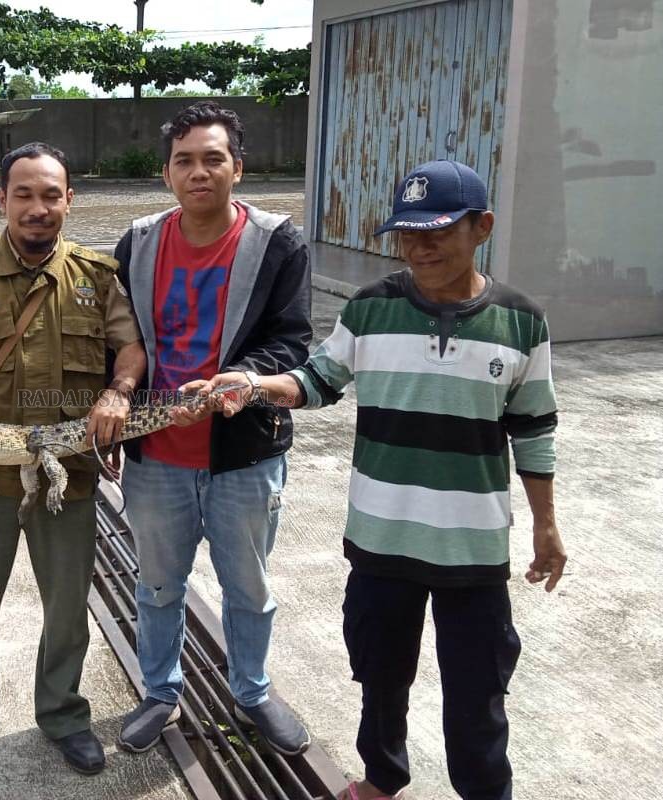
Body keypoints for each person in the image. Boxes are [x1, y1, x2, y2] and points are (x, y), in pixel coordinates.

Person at [205, 160, 568, 800]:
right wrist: (255, 384)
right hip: (381, 537)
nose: (419, 248)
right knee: (380, 671)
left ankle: (485, 791)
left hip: (473, 547)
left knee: (477, 689)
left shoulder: (521, 321)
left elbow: (534, 430)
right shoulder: (371, 309)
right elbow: (318, 380)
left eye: (437, 232)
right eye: (407, 234)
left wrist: (545, 525)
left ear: (481, 227)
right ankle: (382, 777)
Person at [0, 142, 146, 780]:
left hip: (67, 477)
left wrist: (117, 392)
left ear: (70, 199)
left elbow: (128, 350)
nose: (38, 208)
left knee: (67, 606)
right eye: (24, 194)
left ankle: (65, 716)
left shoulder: (98, 277)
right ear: (3, 200)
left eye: (51, 195)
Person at [112, 101, 314, 756]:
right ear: (166, 173)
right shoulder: (138, 243)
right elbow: (121, 338)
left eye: (212, 158)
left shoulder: (277, 242)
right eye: (184, 161)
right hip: (157, 457)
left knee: (247, 587)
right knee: (158, 584)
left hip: (244, 455)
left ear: (238, 167)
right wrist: (113, 406)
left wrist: (242, 378)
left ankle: (250, 691)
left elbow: (292, 341)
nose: (198, 172)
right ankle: (160, 692)